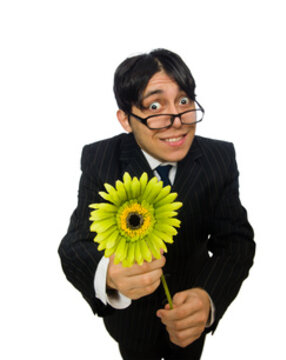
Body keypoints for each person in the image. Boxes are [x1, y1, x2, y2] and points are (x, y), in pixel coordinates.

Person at [58, 48, 256, 359]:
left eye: (183, 101)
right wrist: (108, 276)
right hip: (131, 323)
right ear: (126, 118)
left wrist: (207, 298)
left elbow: (237, 242)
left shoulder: (219, 159)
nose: (176, 121)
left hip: (190, 324)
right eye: (154, 105)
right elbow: (75, 246)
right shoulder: (101, 160)